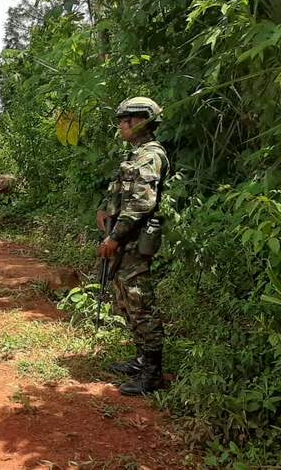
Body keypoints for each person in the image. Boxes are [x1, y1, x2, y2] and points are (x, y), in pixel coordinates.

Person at [96, 97, 169, 396]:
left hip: (135, 241)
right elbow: (123, 193)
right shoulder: (136, 155)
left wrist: (115, 238)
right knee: (126, 299)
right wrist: (105, 209)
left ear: (141, 121)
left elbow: (141, 203)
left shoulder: (150, 156)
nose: (122, 125)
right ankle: (141, 360)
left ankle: (152, 372)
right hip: (126, 239)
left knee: (140, 302)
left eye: (127, 120)